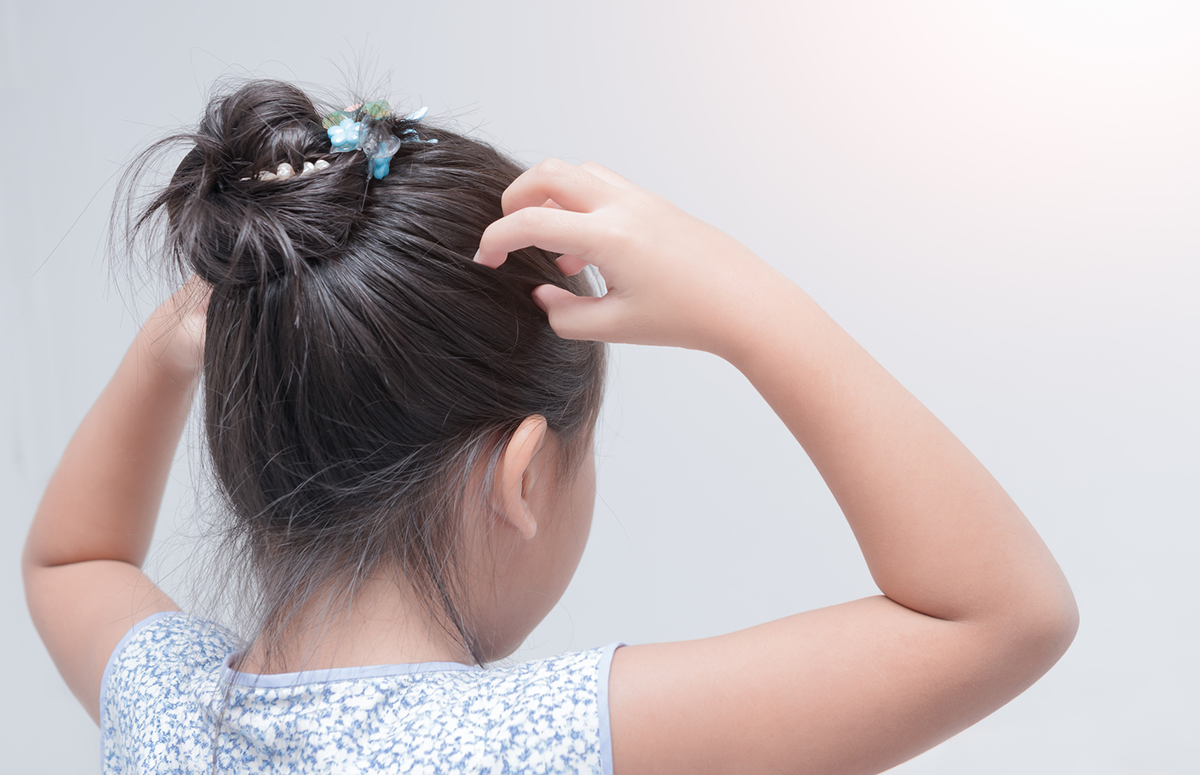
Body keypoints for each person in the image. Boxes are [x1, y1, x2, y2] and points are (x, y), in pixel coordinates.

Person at [22, 79, 1078, 774]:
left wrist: (169, 345)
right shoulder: (547, 744)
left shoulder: (162, 712)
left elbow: (72, 557)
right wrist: (749, 304)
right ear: (518, 474)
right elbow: (999, 616)